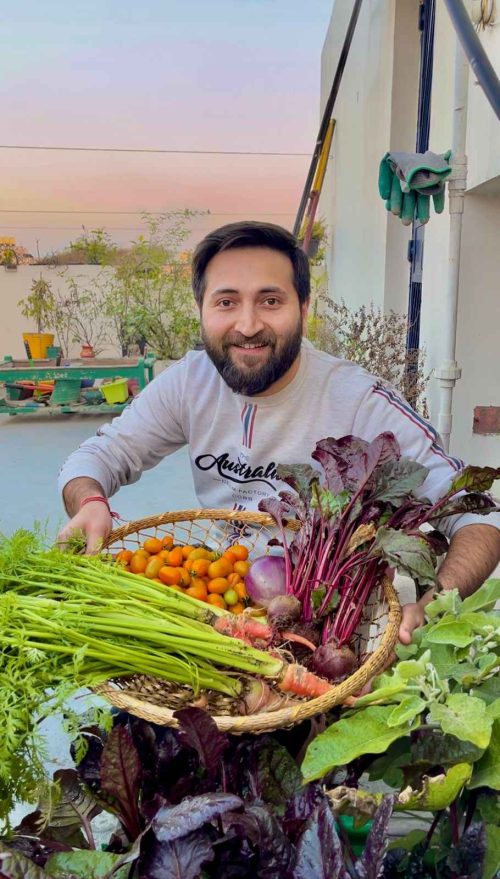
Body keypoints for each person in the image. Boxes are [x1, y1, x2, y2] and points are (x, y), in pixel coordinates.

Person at [58, 221, 500, 644]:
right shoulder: (188, 382)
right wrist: (91, 502)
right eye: (226, 302)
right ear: (201, 310)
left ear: (303, 308)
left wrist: (437, 599)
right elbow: (96, 458)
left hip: (325, 625)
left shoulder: (360, 401)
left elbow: (480, 515)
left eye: (270, 301)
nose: (248, 325)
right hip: (218, 602)